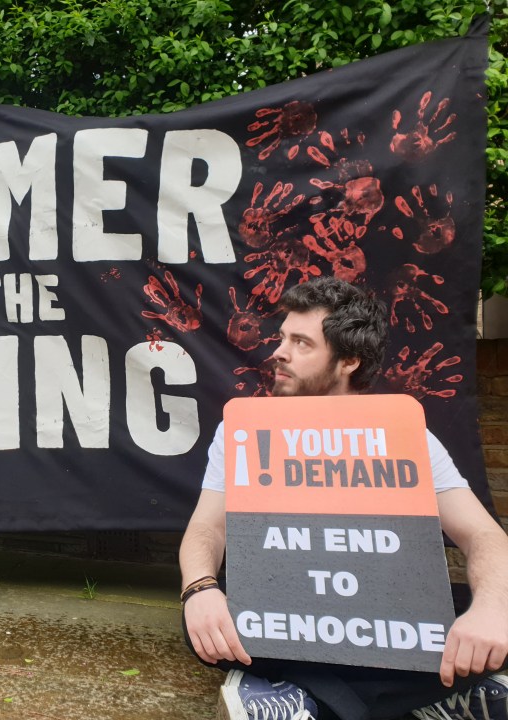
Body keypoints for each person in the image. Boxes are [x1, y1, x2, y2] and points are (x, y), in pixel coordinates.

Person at [180, 277, 508, 720]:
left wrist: (491, 609)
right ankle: (438, 696)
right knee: (202, 617)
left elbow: (484, 534)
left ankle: (291, 694)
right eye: (282, 339)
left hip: (377, 614)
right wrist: (199, 589)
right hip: (278, 604)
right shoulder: (242, 431)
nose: (279, 352)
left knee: (495, 608)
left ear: (349, 359)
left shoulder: (405, 436)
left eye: (301, 343)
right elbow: (207, 527)